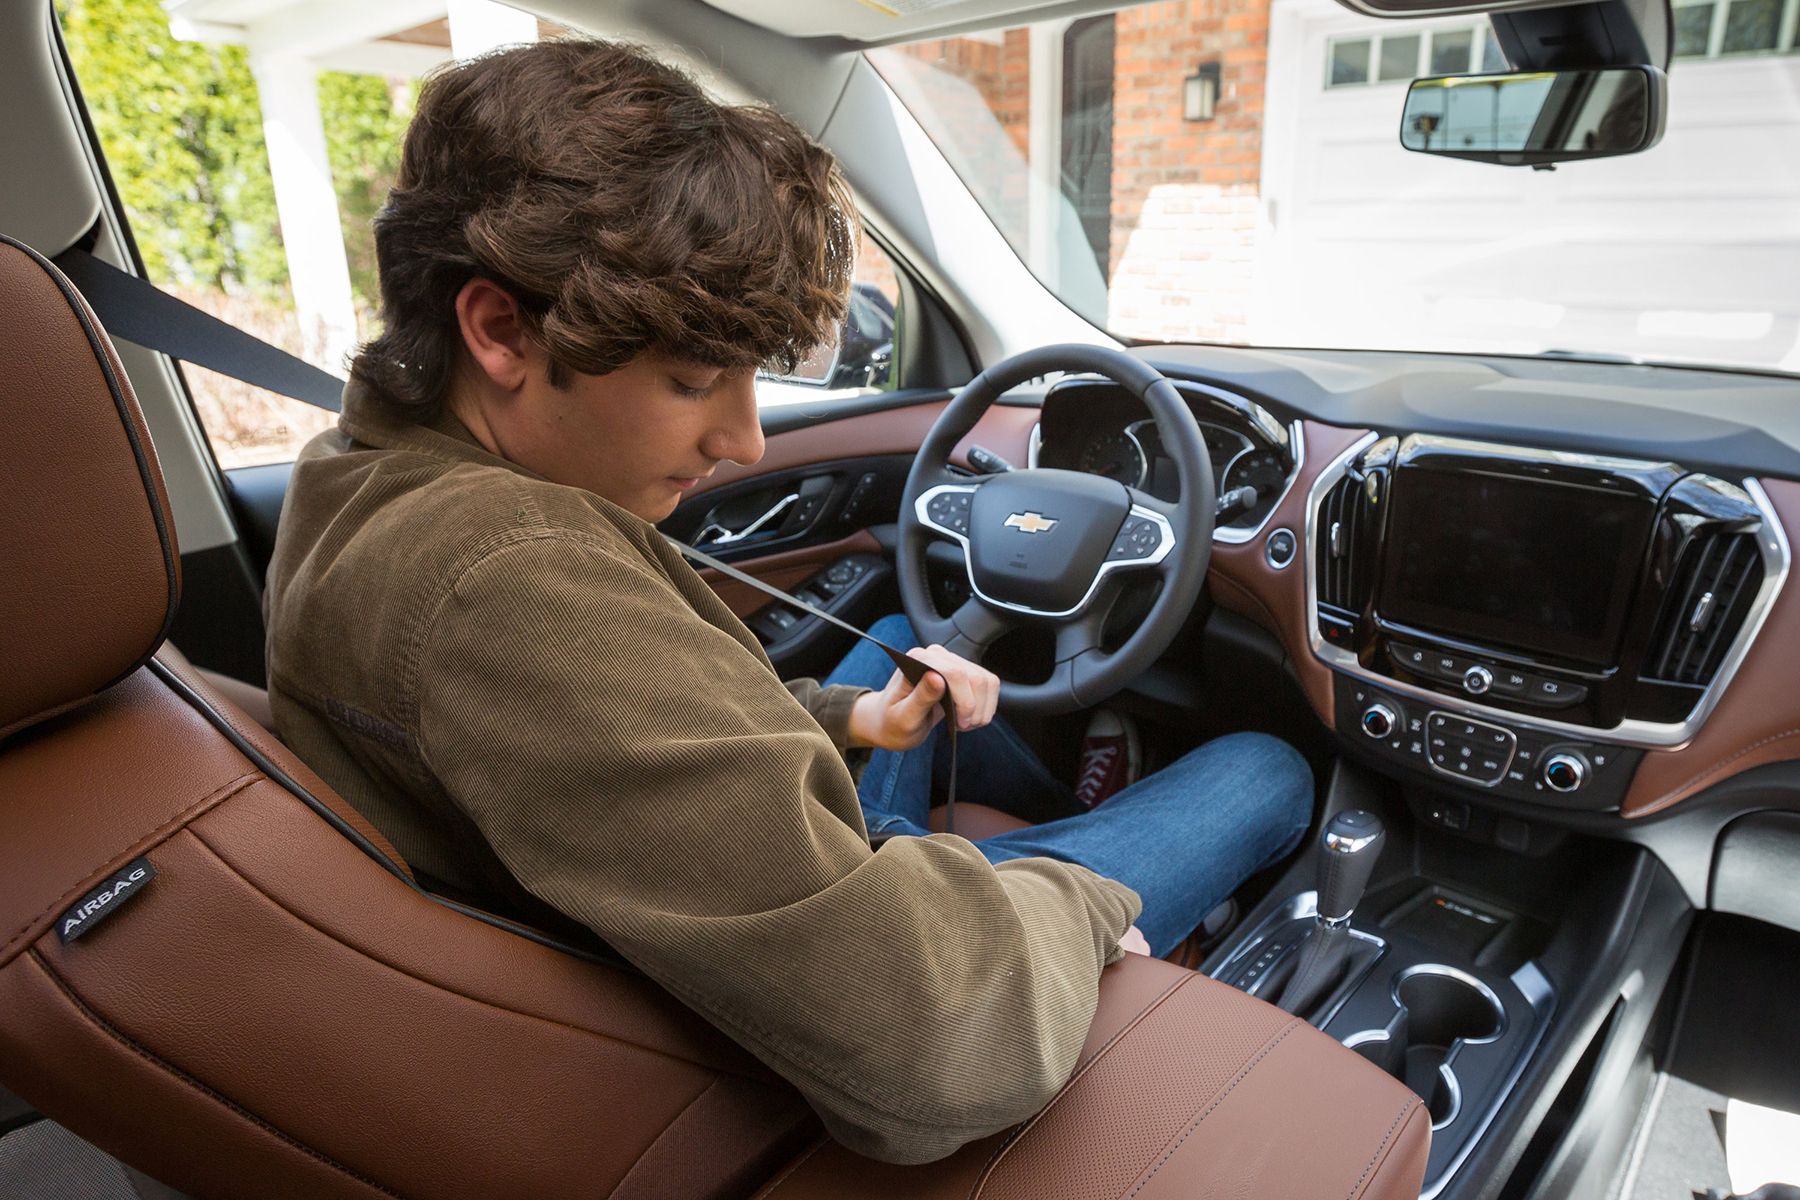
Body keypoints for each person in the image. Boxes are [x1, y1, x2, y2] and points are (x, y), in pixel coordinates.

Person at [263, 37, 1310, 1165]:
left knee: (907, 639)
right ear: (502, 329)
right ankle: (1081, 827)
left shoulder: (356, 476)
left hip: (757, 882)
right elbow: (937, 1039)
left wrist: (851, 720)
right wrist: (1086, 902)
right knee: (1271, 772)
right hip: (862, 953)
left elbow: (635, 734)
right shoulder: (507, 584)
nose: (745, 438)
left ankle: (1038, 807)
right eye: (693, 379)